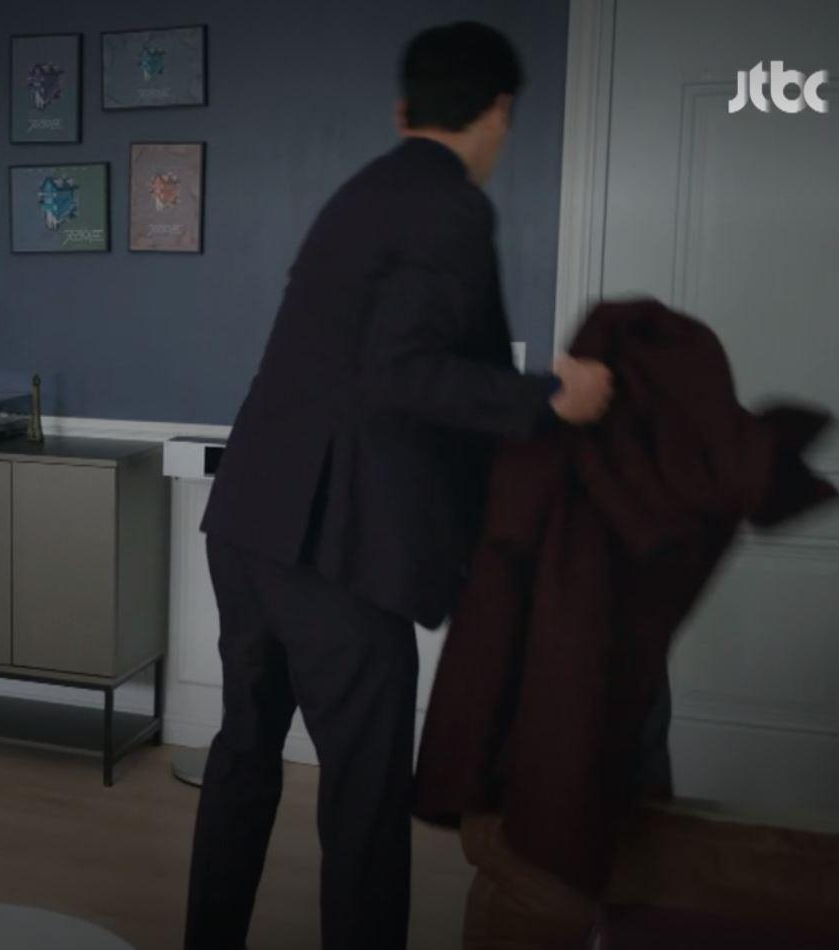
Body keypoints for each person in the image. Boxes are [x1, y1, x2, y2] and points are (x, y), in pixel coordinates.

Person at [185, 22, 613, 949]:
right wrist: (552, 397)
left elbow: (357, 366)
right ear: (500, 112)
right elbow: (401, 373)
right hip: (335, 548)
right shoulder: (451, 206)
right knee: (365, 797)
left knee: (244, 756)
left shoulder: (359, 196)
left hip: (249, 521)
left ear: (402, 109)